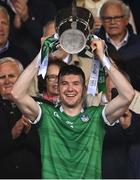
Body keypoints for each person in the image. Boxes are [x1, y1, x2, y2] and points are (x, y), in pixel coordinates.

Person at [11, 38, 134, 179]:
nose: (70, 88)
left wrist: (103, 57)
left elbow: (128, 94)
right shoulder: (46, 114)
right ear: (58, 87)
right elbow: (16, 93)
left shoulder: (97, 116)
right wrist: (42, 54)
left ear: (84, 89)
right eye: (64, 83)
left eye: (76, 83)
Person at [0, 57, 41, 178]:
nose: (7, 81)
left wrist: (29, 132)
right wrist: (12, 134)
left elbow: (51, 150)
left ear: (23, 79)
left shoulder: (37, 106)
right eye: (2, 77)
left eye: (12, 76)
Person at [98, 0, 140, 91]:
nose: (112, 22)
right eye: (107, 18)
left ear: (126, 19)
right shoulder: (94, 43)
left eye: (117, 17)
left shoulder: (138, 44)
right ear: (101, 20)